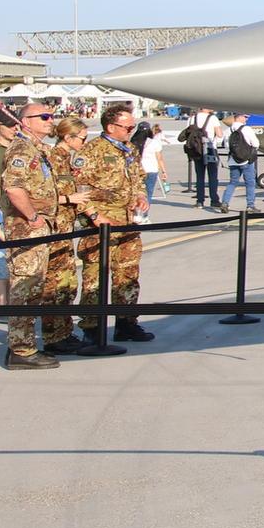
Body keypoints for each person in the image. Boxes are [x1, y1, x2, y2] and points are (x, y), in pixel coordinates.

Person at [78, 102, 151, 343]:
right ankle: (92, 326)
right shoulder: (91, 151)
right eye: (127, 127)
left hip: (128, 223)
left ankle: (126, 322)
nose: (130, 130)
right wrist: (95, 215)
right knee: (95, 276)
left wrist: (141, 196)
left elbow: (139, 177)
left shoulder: (129, 149)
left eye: (132, 127)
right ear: (111, 126)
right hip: (102, 223)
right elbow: (78, 188)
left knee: (128, 274)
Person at [0, 106, 61, 369]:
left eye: (50, 116)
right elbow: (13, 188)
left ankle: (25, 346)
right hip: (27, 229)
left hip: (37, 228)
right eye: (43, 117)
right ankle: (21, 351)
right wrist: (33, 217)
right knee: (24, 288)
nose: (50, 121)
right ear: (25, 122)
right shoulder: (22, 150)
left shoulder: (36, 148)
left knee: (34, 288)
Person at [37, 118, 93, 354]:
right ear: (68, 137)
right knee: (54, 285)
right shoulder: (51, 158)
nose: (85, 142)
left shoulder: (65, 159)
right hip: (54, 230)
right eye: (82, 137)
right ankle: (53, 337)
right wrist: (70, 199)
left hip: (65, 229)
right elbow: (41, 195)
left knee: (67, 285)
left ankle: (65, 332)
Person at [183, 107, 223, 209]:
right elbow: (219, 134)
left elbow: (187, 133)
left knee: (199, 176)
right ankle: (214, 200)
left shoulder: (192, 118)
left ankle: (200, 200)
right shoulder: (213, 118)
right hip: (210, 148)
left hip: (197, 150)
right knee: (212, 176)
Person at [221, 113, 259, 210]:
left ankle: (225, 203)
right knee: (250, 183)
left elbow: (226, 146)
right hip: (246, 160)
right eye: (245, 117)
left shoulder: (228, 130)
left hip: (233, 160)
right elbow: (255, 143)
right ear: (239, 117)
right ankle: (250, 205)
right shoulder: (246, 129)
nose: (246, 119)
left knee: (232, 183)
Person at [139, 121, 169, 207]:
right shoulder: (154, 142)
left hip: (139, 169)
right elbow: (159, 159)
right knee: (148, 192)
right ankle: (144, 214)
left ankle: (138, 212)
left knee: (138, 192)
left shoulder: (135, 142)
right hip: (152, 169)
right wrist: (164, 171)